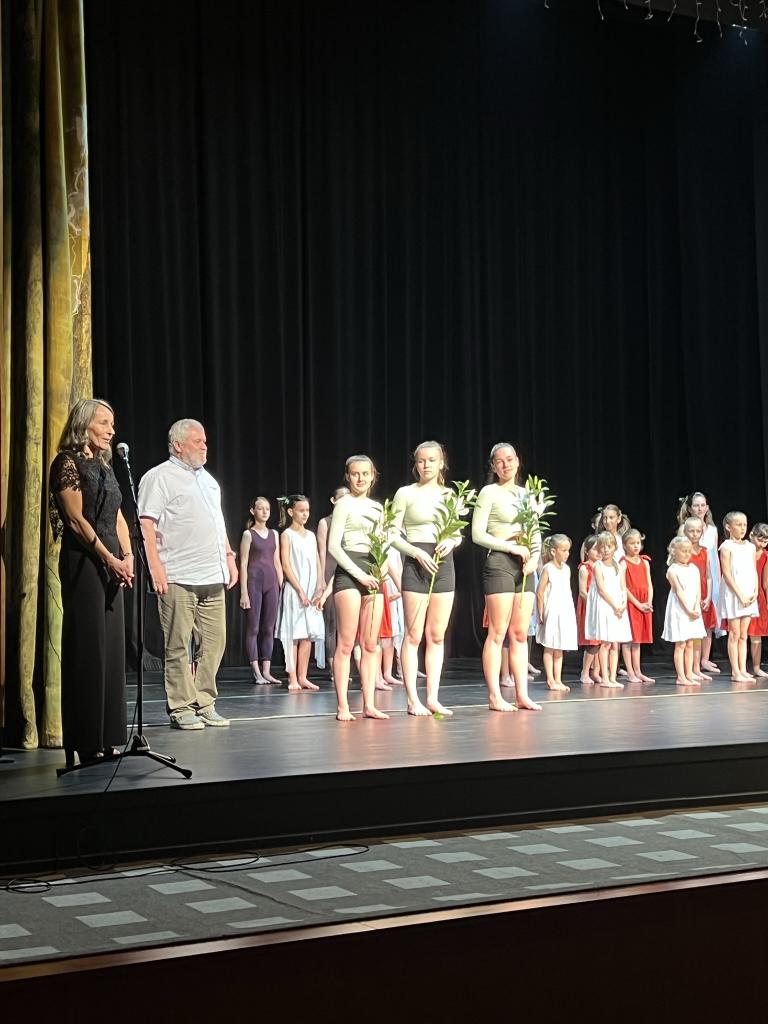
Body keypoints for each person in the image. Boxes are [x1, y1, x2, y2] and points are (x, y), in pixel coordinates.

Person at [49, 399, 133, 767]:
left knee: (111, 649)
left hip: (113, 563)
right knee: (89, 648)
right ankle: (85, 739)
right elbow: (75, 521)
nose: (111, 430)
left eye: (113, 424)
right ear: (84, 425)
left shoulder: (105, 466)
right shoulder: (66, 464)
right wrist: (108, 558)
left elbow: (117, 517)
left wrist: (127, 556)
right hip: (84, 562)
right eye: (104, 423)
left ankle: (109, 735)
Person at [138, 418, 238, 730]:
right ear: (178, 445)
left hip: (212, 574)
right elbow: (146, 524)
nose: (205, 446)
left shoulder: (208, 480)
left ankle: (204, 702)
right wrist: (155, 567)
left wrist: (229, 557)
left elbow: (218, 523)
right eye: (198, 441)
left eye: (205, 441)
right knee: (178, 645)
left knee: (215, 642)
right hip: (178, 574)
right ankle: (181, 707)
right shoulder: (159, 477)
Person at [472, 442, 542, 712]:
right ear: (493, 466)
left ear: (517, 461)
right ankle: (495, 696)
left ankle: (522, 694)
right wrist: (510, 547)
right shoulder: (489, 492)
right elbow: (477, 534)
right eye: (500, 461)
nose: (506, 464)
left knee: (520, 633)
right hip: (500, 561)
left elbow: (535, 531)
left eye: (510, 459)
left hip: (524, 565)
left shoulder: (526, 494)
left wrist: (535, 558)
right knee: (498, 631)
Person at [390, 441, 458, 717]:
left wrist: (452, 541)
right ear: (415, 464)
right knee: (414, 634)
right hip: (416, 563)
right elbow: (391, 534)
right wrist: (416, 552)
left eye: (431, 460)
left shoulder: (450, 494)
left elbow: (457, 532)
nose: (426, 465)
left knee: (437, 635)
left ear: (442, 463)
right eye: (421, 460)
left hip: (443, 564)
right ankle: (412, 700)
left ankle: (432, 697)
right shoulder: (405, 493)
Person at [327, 455, 389, 722]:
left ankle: (369, 704)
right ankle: (343, 705)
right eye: (355, 474)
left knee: (371, 644)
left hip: (373, 573)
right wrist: (359, 575)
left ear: (373, 476)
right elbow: (333, 546)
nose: (360, 478)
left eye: (365, 473)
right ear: (348, 476)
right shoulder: (344, 504)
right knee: (346, 643)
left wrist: (382, 567)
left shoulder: (378, 508)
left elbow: (384, 543)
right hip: (350, 574)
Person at [275, 494, 325, 691]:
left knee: (307, 634)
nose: (305, 514)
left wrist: (319, 586)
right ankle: (293, 677)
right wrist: (300, 590)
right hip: (295, 590)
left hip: (311, 590)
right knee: (294, 634)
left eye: (307, 511)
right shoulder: (287, 535)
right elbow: (286, 565)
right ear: (291, 512)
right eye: (301, 510)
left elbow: (317, 561)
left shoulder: (311, 536)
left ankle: (303, 676)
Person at [239, 496, 282, 684]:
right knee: (254, 627)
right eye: (260, 508)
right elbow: (243, 563)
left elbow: (277, 562)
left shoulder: (274, 534)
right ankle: (256, 671)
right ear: (253, 511)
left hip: (271, 583)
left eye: (267, 509)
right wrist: (244, 592)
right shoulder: (248, 534)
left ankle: (267, 671)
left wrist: (281, 585)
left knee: (269, 628)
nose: (265, 512)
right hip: (254, 583)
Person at [677, 492, 722, 671]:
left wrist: (716, 581)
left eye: (703, 505)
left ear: (707, 507)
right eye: (696, 505)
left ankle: (704, 659)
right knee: (695, 619)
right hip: (691, 576)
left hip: (708, 575)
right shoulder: (685, 528)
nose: (700, 508)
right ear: (690, 508)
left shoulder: (712, 529)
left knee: (708, 619)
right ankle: (692, 663)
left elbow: (714, 557)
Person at [584, 531, 632, 688]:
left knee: (615, 643)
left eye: (609, 546)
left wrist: (623, 603)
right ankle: (605, 677)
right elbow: (602, 589)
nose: (605, 550)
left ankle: (612, 677)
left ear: (615, 548)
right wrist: (614, 605)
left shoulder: (618, 565)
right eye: (602, 547)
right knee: (605, 643)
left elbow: (623, 586)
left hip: (618, 607)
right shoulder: (598, 566)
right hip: (606, 605)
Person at [717, 511, 758, 682]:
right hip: (734, 594)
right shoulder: (726, 547)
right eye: (738, 524)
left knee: (743, 634)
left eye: (744, 525)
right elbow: (727, 574)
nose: (742, 528)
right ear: (728, 527)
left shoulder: (750, 547)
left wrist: (755, 591)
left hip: (748, 593)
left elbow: (753, 570)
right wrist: (740, 595)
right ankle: (735, 671)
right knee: (734, 633)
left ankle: (743, 669)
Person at [535, 534, 577, 692]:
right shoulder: (548, 568)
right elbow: (540, 592)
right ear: (553, 551)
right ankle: (550, 680)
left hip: (564, 610)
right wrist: (540, 612)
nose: (567, 553)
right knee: (550, 646)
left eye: (568, 550)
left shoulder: (566, 569)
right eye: (563, 550)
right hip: (551, 610)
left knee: (560, 646)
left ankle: (558, 679)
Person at [662, 536, 706, 686]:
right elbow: (679, 591)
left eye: (689, 551)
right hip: (680, 609)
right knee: (681, 644)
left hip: (693, 608)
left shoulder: (694, 568)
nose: (687, 554)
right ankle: (681, 676)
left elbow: (698, 589)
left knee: (690, 643)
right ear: (674, 552)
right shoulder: (672, 570)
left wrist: (696, 606)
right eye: (683, 551)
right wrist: (688, 609)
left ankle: (689, 674)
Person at [316, 486, 349, 679]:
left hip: (347, 571)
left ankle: (345, 664)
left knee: (346, 622)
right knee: (331, 621)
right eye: (341, 498)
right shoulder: (325, 522)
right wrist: (321, 579)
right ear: (333, 500)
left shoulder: (349, 521)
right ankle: (332, 666)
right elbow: (321, 552)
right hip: (330, 571)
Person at [683, 515, 716, 681]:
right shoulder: (683, 552)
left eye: (698, 531)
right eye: (691, 531)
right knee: (692, 634)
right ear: (685, 532)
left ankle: (697, 668)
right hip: (690, 597)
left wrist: (708, 596)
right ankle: (689, 669)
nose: (695, 534)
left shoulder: (704, 551)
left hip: (703, 595)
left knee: (702, 632)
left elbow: (708, 576)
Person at [620, 528, 655, 683]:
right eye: (632, 543)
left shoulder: (645, 562)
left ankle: (638, 671)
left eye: (638, 543)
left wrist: (649, 601)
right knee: (628, 639)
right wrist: (637, 603)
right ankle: (630, 672)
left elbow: (649, 584)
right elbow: (624, 587)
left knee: (638, 640)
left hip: (644, 602)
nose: (636, 546)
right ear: (624, 545)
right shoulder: (623, 563)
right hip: (631, 603)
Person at [576, 536, 601, 684]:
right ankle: (584, 673)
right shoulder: (585, 568)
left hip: (600, 607)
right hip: (589, 607)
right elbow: (582, 592)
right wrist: (593, 605)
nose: (598, 552)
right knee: (592, 642)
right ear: (587, 551)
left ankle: (595, 671)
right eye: (595, 549)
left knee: (600, 642)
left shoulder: (601, 566)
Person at [747, 523, 768, 678]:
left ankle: (756, 667)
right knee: (739, 634)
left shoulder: (766, 556)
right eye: (759, 540)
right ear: (751, 536)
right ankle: (738, 669)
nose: (761, 544)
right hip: (742, 593)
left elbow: (766, 582)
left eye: (765, 541)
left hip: (758, 597)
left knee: (756, 634)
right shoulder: (744, 551)